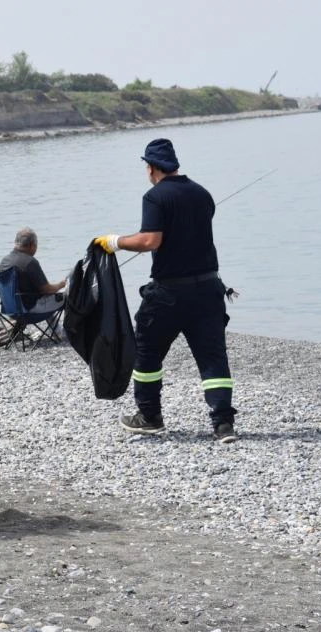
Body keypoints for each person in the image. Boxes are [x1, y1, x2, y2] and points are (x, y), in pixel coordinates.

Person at [94, 138, 238, 444]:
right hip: (209, 288)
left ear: (151, 168)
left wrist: (114, 241)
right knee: (213, 358)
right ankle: (223, 424)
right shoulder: (202, 194)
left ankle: (149, 416)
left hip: (169, 293)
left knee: (146, 352)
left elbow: (150, 241)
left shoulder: (155, 197)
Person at [0, 227, 67, 314]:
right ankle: (72, 327)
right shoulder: (30, 262)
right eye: (36, 245)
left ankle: (56, 328)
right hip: (29, 310)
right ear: (31, 245)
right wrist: (62, 284)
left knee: (43, 297)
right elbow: (47, 290)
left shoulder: (4, 261)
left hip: (10, 309)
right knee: (68, 296)